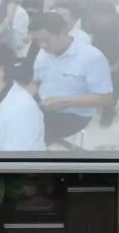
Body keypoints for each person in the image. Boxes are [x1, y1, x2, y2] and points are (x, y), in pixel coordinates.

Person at [28, 13, 113, 146]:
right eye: (36, 41)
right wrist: (21, 99)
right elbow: (36, 82)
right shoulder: (44, 52)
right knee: (10, 121)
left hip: (73, 115)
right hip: (44, 105)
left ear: (63, 32)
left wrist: (65, 102)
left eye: (45, 39)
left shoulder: (91, 57)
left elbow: (106, 98)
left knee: (29, 134)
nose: (42, 45)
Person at [87, 0, 119, 126]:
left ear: (112, 15)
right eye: (97, 16)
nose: (99, 20)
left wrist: (116, 66)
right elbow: (88, 41)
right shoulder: (92, 22)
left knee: (113, 77)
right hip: (104, 53)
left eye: (103, 17)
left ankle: (109, 111)